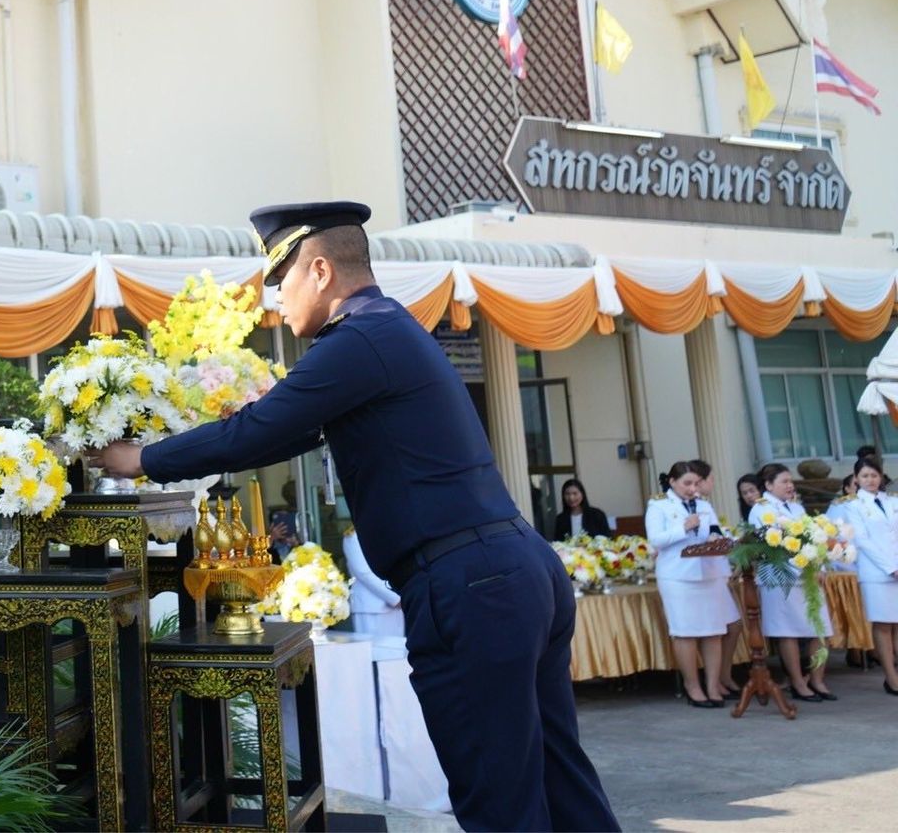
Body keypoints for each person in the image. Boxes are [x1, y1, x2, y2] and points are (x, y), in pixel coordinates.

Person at [95, 201, 617, 831]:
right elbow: (286, 433)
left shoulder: (358, 339)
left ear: (319, 271)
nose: (276, 299)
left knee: (501, 804)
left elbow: (260, 429)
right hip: (510, 571)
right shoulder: (387, 328)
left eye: (281, 279)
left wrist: (140, 459)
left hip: (470, 584)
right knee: (560, 781)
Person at [648, 459, 740, 706]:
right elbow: (656, 539)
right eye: (687, 483)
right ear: (672, 482)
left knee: (713, 632)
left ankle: (713, 686)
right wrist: (683, 527)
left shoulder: (703, 505)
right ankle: (693, 686)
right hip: (677, 576)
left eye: (696, 483)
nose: (692, 489)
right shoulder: (658, 505)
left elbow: (715, 531)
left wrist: (718, 538)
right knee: (685, 632)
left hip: (708, 573)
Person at [748, 462, 834, 700]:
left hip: (808, 576)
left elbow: (814, 539)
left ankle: (817, 680)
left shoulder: (796, 507)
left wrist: (819, 566)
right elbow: (774, 545)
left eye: (790, 481)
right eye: (784, 481)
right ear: (768, 485)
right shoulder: (761, 509)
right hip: (782, 578)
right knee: (788, 632)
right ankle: (797, 682)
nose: (790, 485)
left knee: (820, 628)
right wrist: (803, 568)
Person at [840, 456, 898, 694]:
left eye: (874, 475)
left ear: (881, 477)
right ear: (856, 479)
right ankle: (891, 677)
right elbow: (863, 541)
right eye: (865, 476)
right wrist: (891, 567)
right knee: (883, 624)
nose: (870, 480)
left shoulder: (892, 500)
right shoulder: (852, 506)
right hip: (876, 573)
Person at [342, 525, 404, 641]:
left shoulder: (388, 530)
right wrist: (395, 597)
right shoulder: (354, 535)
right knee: (373, 650)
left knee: (397, 649)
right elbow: (364, 573)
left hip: (396, 607)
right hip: (371, 607)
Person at [548, 478, 612, 540]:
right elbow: (557, 542)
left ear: (582, 494)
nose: (571, 498)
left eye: (575, 493)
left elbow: (608, 539)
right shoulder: (560, 519)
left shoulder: (597, 515)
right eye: (567, 494)